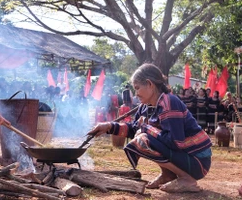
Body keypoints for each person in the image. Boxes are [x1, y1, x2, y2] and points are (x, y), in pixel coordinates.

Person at [88, 63, 212, 193]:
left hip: (198, 161)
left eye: (137, 88)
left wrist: (146, 129)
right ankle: (168, 175)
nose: (136, 94)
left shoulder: (169, 102)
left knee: (142, 139)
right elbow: (134, 129)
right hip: (184, 157)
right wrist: (109, 126)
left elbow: (176, 142)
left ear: (150, 84)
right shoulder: (145, 107)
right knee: (141, 135)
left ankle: (187, 179)